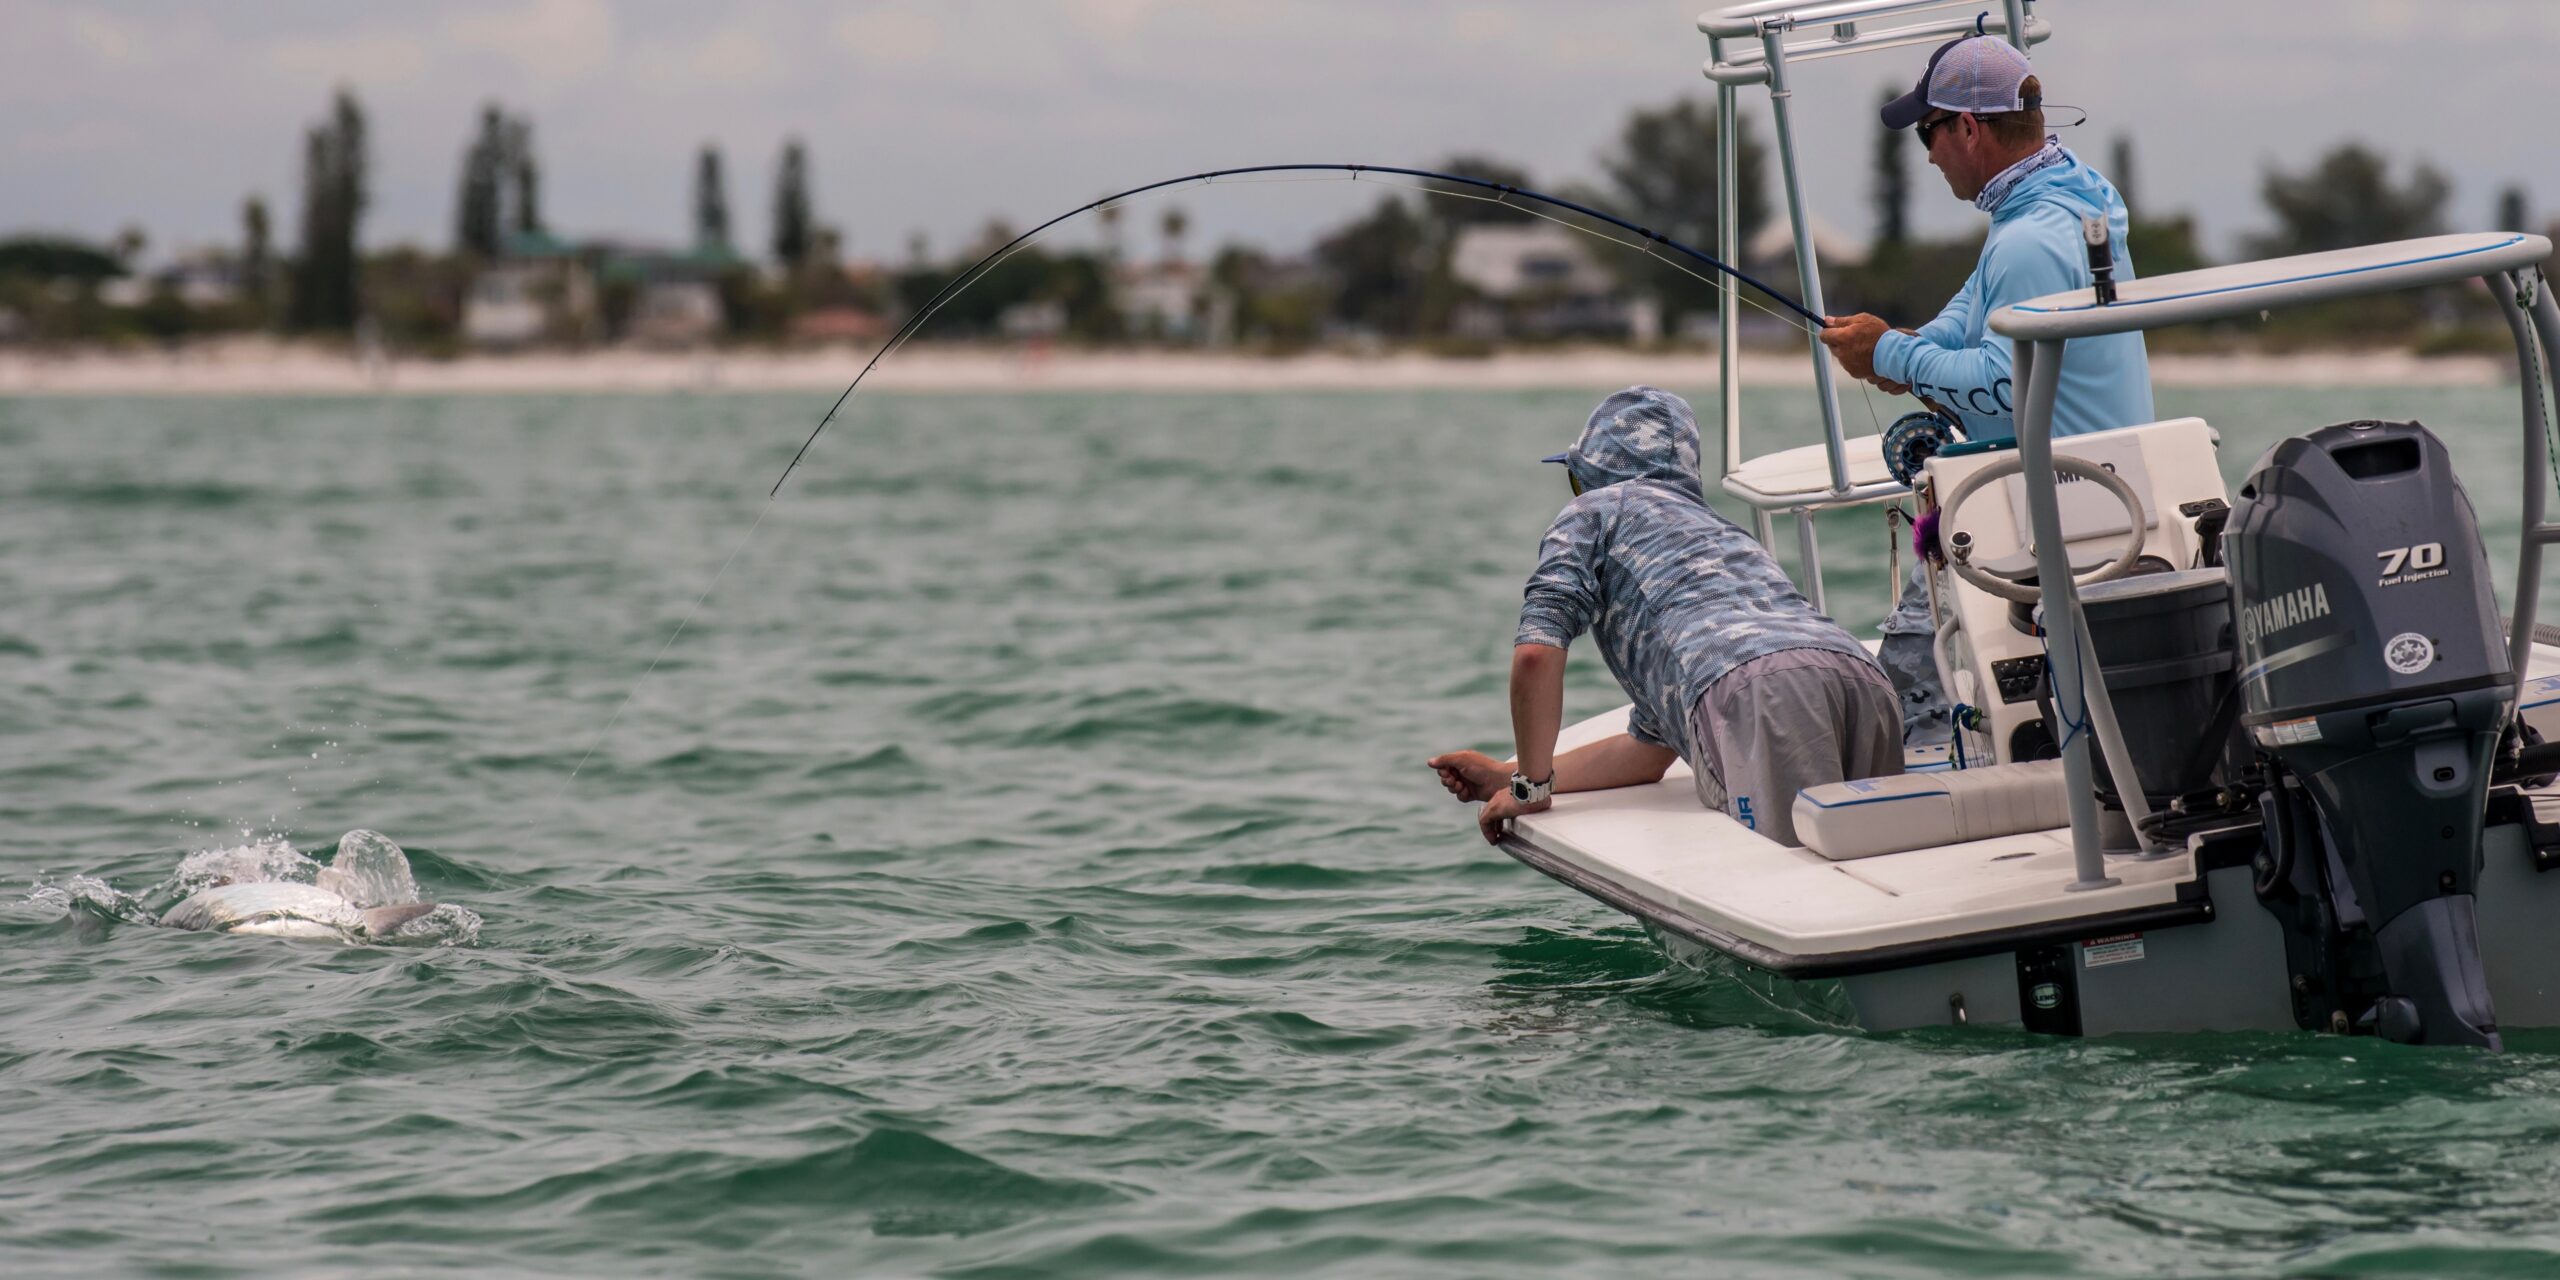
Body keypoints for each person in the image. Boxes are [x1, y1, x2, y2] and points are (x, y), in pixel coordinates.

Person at [1815, 34, 2156, 743]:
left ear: (1966, 128)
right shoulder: (2069, 198)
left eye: (1928, 131)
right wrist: (1895, 354)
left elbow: (2004, 388)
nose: (1927, 152)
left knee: (1910, 676)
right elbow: (1969, 320)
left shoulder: (2028, 240)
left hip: (2059, 516)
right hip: (2105, 493)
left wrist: (1890, 353)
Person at [1427, 387, 1901, 850]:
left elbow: (1535, 652)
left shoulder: (1592, 511)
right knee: (1886, 864)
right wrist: (1507, 776)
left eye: (1577, 479)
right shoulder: (1719, 531)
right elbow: (1647, 754)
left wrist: (1531, 790)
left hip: (1755, 689)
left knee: (1798, 878)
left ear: (1594, 476)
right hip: (1861, 676)